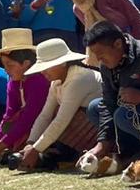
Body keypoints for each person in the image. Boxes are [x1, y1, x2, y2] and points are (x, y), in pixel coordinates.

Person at [82, 21, 140, 164]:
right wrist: (102, 143)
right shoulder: (106, 66)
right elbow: (109, 103)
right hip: (131, 114)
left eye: (101, 54)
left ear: (118, 44)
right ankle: (129, 151)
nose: (98, 59)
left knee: (122, 115)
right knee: (95, 108)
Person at [16, 38, 101, 171]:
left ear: (62, 63)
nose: (43, 72)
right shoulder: (56, 82)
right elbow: (45, 115)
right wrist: (30, 144)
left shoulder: (79, 79)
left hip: (100, 125)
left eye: (47, 67)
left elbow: (61, 120)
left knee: (67, 115)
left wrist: (35, 149)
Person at [0, 30, 51, 166]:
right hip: (28, 127)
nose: (6, 70)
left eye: (10, 65)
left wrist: (1, 145)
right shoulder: (13, 82)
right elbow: (9, 116)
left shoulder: (38, 80)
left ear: (26, 63)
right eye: (4, 65)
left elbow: (29, 118)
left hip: (45, 125)